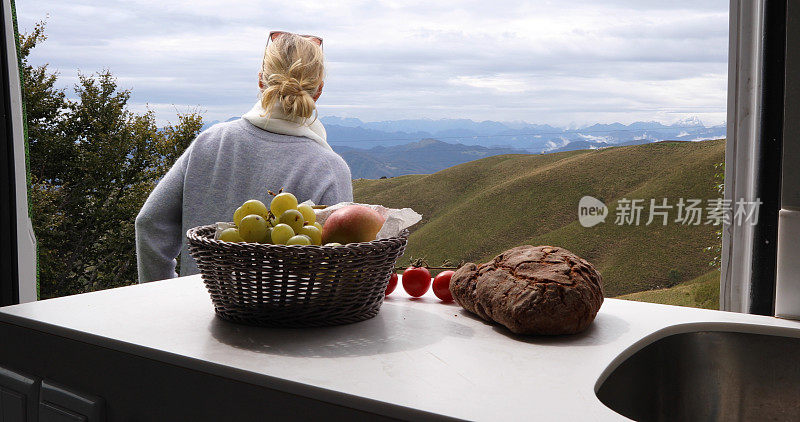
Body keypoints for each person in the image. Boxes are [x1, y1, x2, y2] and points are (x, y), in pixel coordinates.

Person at [135, 31, 353, 283]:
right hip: (286, 321)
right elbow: (338, 269)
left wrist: (163, 296)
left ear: (260, 80)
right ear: (319, 91)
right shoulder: (329, 169)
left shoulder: (209, 141)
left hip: (195, 316)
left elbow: (149, 224)